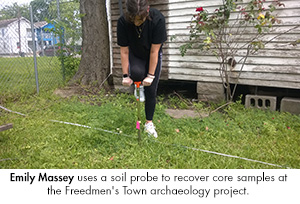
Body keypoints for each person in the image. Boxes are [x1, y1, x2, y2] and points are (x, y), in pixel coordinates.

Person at [117, 0, 167, 138]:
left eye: (140, 19)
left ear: (147, 11)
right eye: (132, 18)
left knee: (151, 90)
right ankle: (138, 88)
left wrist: (151, 75)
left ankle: (148, 123)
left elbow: (154, 52)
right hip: (135, 54)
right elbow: (124, 52)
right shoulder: (123, 22)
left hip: (152, 53)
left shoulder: (158, 20)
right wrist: (125, 75)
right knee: (137, 73)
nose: (136, 23)